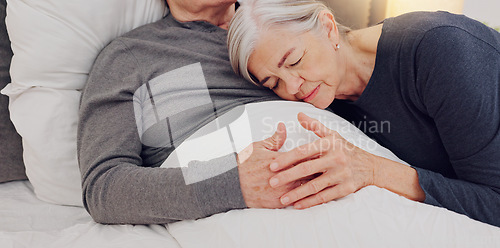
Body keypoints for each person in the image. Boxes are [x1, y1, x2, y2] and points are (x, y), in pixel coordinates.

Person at [227, 0, 500, 227]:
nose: (292, 87)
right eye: (274, 83)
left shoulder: (441, 50)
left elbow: (495, 204)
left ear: (328, 27)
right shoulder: (329, 104)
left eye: (295, 61)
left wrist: (374, 170)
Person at [78, 0, 307, 225]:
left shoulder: (287, 18)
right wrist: (231, 183)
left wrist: (344, 154)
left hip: (333, 176)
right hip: (251, 216)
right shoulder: (132, 57)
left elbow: (340, 92)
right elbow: (103, 187)